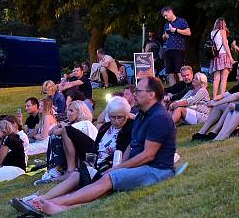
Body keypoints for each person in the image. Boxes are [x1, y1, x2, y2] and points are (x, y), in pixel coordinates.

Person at [32, 76, 176, 216]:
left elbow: (148, 155)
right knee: (106, 181)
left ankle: (53, 202)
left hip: (157, 169)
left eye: (138, 91)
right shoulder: (142, 116)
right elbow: (132, 146)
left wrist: (117, 168)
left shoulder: (159, 117)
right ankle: (60, 207)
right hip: (141, 167)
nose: (134, 94)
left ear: (151, 95)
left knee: (109, 178)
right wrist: (121, 167)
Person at [192, 63, 239, 140]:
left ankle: (215, 131)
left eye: (238, 75)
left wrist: (217, 102)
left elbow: (237, 95)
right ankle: (202, 132)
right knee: (220, 105)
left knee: (234, 103)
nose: (236, 77)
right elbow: (224, 95)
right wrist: (212, 101)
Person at [161, 6, 191, 85]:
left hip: (178, 49)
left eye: (166, 15)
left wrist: (176, 30)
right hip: (168, 50)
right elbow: (164, 36)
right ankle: (172, 92)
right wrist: (164, 36)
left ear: (170, 12)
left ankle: (181, 90)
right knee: (170, 73)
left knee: (179, 71)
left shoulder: (181, 21)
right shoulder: (166, 24)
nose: (165, 17)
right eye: (164, 16)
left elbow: (188, 32)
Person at [209, 18, 233, 98]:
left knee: (216, 78)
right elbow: (225, 45)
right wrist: (230, 57)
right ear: (222, 24)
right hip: (223, 55)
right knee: (224, 78)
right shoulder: (222, 31)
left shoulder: (212, 32)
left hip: (216, 56)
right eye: (225, 23)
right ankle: (221, 96)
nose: (226, 25)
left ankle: (214, 96)